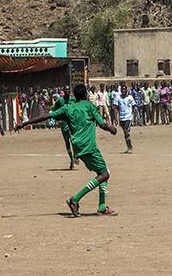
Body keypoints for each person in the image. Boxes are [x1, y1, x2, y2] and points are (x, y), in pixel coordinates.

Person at [16, 83, 118, 216]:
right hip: (89, 146)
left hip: (77, 146)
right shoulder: (89, 106)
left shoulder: (68, 108)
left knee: (102, 172)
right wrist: (112, 129)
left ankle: (102, 206)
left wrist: (25, 123)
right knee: (105, 174)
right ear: (86, 95)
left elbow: (46, 116)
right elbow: (102, 124)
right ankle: (74, 199)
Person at [49, 89, 76, 168]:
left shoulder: (73, 100)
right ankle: (71, 159)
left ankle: (75, 156)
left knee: (74, 140)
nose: (67, 91)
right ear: (63, 91)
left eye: (68, 90)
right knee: (67, 142)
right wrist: (56, 118)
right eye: (66, 90)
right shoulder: (60, 100)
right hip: (64, 123)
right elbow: (54, 110)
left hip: (72, 123)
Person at [117, 84, 135, 153]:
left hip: (128, 117)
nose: (123, 91)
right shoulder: (119, 98)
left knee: (125, 131)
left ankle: (130, 147)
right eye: (122, 89)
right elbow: (117, 107)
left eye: (124, 89)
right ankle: (128, 147)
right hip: (121, 118)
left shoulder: (130, 98)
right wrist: (117, 117)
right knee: (125, 133)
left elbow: (134, 106)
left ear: (126, 90)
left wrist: (133, 115)